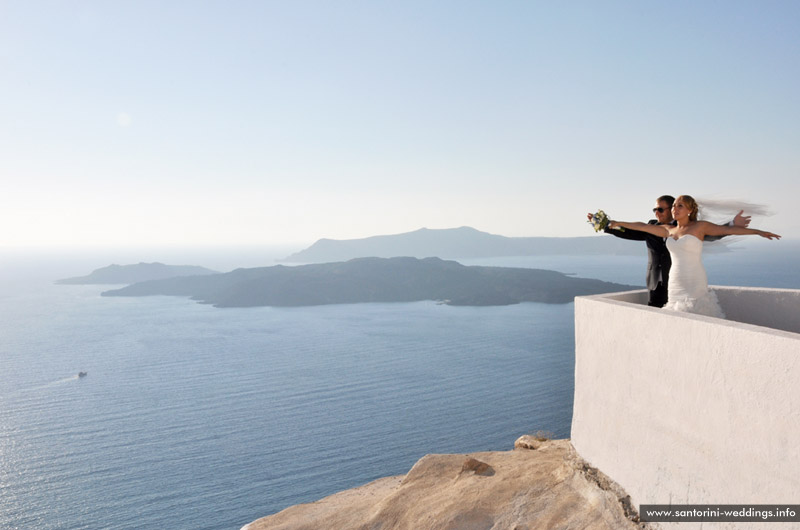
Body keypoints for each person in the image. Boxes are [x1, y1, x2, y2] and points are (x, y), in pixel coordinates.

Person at [609, 195, 780, 318]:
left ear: (690, 210)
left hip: (694, 279)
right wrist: (617, 223)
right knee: (674, 315)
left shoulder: (700, 227)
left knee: (698, 314)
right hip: (675, 280)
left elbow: (728, 230)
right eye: (674, 205)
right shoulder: (668, 230)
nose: (675, 208)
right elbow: (641, 226)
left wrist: (758, 232)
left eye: (679, 206)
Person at [588, 195, 750, 308]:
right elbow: (630, 232)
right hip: (655, 282)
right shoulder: (651, 226)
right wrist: (604, 224)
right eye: (654, 210)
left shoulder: (687, 227)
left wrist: (731, 225)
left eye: (660, 209)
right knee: (655, 315)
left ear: (671, 209)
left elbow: (711, 235)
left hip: (680, 283)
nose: (656, 213)